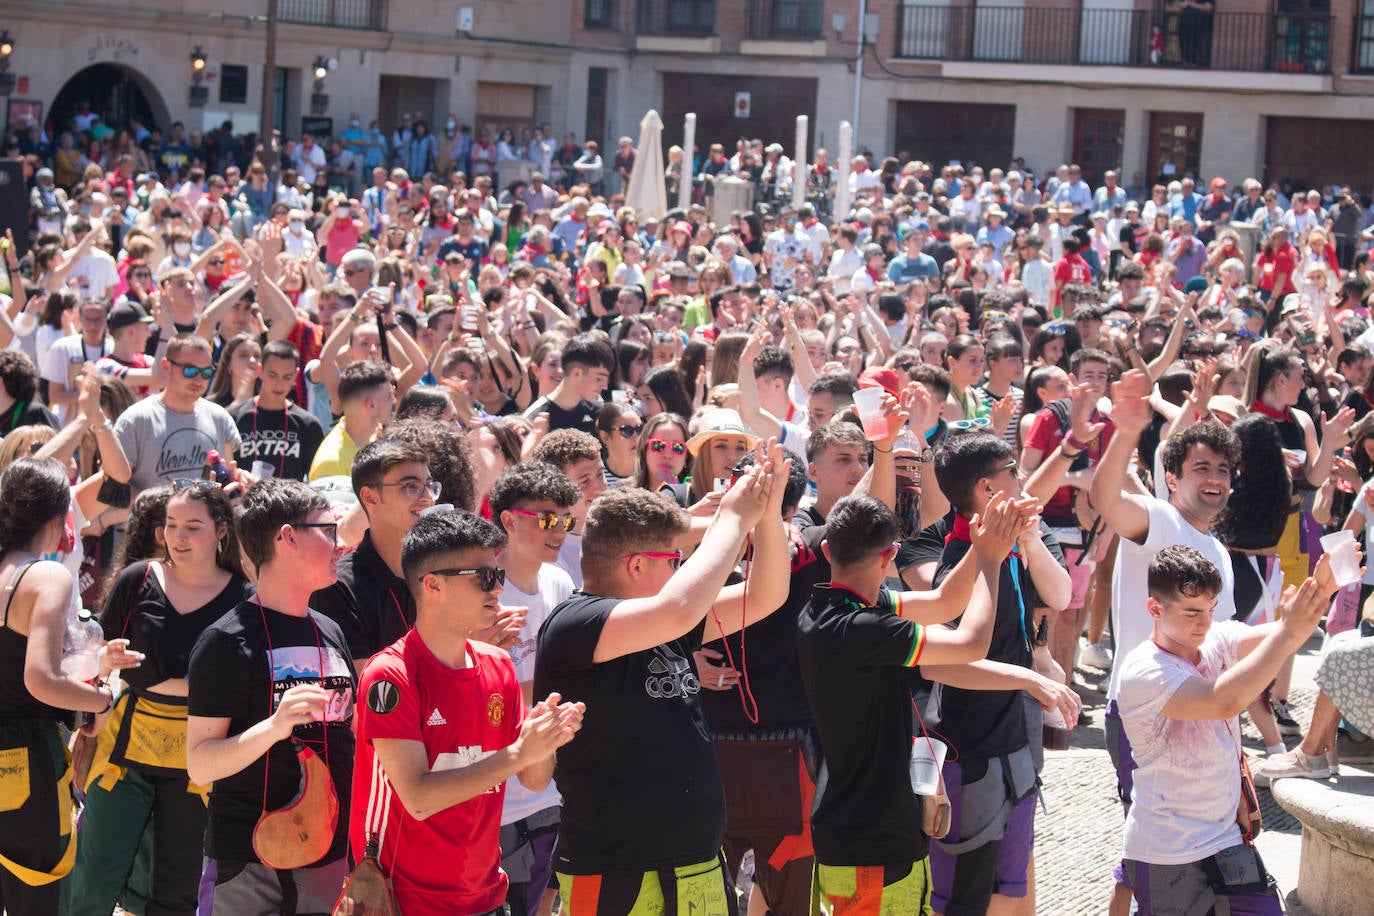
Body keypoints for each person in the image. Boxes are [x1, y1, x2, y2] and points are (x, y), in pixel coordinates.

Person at [533, 442, 792, 914]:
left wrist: (766, 515)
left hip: (697, 863)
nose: (680, 569)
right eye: (673, 559)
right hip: (616, 871)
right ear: (636, 564)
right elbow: (677, 609)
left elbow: (767, 596)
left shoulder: (666, 621)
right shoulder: (575, 622)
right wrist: (732, 518)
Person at [798, 491, 1028, 915]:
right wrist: (992, 564)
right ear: (891, 557)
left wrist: (979, 550)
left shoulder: (829, 609)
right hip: (873, 842)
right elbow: (972, 642)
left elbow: (944, 603)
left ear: (828, 550)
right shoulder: (863, 626)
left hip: (858, 832)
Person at [348, 508, 584, 916]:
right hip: (401, 902)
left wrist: (545, 740)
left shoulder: (497, 666)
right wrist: (518, 754)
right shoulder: (390, 674)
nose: (497, 589)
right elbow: (418, 798)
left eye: (499, 576)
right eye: (483, 578)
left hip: (485, 897)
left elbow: (532, 778)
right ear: (433, 585)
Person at [1089, 369, 1242, 915]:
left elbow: (1222, 650)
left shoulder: (1218, 551)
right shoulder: (1156, 520)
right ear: (1170, 478)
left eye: (1223, 469)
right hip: (1148, 715)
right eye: (1201, 467)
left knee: (1149, 849)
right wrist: (1126, 432)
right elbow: (1106, 498)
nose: (1215, 478)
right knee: (1160, 853)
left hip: (1204, 717)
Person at [1117, 546, 1334, 915]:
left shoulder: (1215, 637)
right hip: (1168, 853)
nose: (1204, 623)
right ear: (1155, 609)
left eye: (1210, 609)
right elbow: (1222, 701)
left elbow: (1284, 632)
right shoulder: (1143, 671)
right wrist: (1288, 632)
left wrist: (1320, 595)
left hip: (1228, 840)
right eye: (1191, 612)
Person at [68, 482, 253, 916]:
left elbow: (245, 679)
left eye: (193, 526)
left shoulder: (244, 595)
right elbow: (91, 658)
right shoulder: (138, 579)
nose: (179, 537)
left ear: (221, 531)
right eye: (171, 525)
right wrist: (105, 661)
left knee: (178, 887)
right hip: (124, 754)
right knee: (93, 874)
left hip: (199, 761)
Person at [186, 478, 357, 915]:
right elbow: (201, 764)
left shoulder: (330, 629)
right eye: (328, 531)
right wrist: (274, 727)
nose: (340, 545)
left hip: (329, 854)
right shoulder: (225, 640)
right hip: (248, 859)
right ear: (288, 537)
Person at [0, 458, 140, 914]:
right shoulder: (45, 576)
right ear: (62, 519)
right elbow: (40, 678)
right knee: (38, 897)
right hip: (23, 762)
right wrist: (102, 698)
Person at [489, 462, 581, 916]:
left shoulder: (560, 582)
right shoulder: (482, 593)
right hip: (495, 799)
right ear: (508, 520)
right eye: (547, 518)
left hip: (551, 792)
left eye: (566, 520)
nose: (559, 530)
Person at [313, 439, 439, 670]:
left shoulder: (442, 572)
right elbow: (371, 695)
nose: (427, 497)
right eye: (410, 486)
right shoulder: (338, 588)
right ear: (370, 498)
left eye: (430, 485)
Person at [113, 333, 241, 493]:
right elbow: (115, 485)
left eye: (206, 372)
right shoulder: (136, 420)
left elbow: (228, 474)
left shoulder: (220, 418)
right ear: (166, 367)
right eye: (190, 371)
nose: (198, 379)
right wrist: (157, 509)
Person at [230, 340, 325, 482]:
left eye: (287, 377)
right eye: (272, 375)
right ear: (260, 371)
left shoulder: (308, 424)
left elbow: (317, 480)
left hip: (290, 502)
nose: (279, 385)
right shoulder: (234, 417)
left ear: (295, 376)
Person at [308, 358, 395, 481]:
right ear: (371, 405)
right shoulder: (332, 463)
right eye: (389, 396)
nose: (394, 401)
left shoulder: (375, 434)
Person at [522, 333, 614, 437]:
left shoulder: (599, 415)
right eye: (599, 378)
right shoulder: (533, 419)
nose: (604, 386)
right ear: (577, 373)